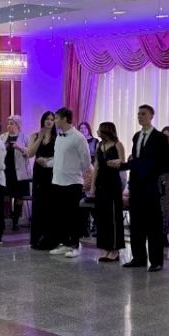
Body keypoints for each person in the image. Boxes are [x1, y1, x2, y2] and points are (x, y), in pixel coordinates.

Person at [109, 104, 169, 271]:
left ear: (151, 116)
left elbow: (168, 162)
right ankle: (138, 257)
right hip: (136, 186)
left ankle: (156, 261)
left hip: (151, 186)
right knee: (136, 223)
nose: (140, 117)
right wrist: (123, 165)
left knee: (153, 224)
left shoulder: (159, 137)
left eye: (143, 114)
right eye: (138, 114)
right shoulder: (137, 136)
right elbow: (136, 161)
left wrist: (151, 171)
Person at [51, 108, 93, 259]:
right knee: (60, 215)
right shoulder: (59, 137)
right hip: (57, 181)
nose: (54, 121)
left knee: (73, 216)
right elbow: (58, 158)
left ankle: (75, 244)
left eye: (56, 118)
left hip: (73, 182)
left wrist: (74, 170)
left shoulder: (78, 137)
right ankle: (64, 243)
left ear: (64, 119)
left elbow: (86, 161)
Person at [93, 122, 125, 263]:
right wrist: (93, 186)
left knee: (113, 216)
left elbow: (123, 163)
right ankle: (106, 247)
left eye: (100, 129)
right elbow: (96, 166)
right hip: (101, 183)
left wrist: (115, 163)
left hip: (113, 183)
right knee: (102, 216)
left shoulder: (118, 144)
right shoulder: (99, 145)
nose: (97, 132)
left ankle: (115, 249)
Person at [27, 112, 58, 250]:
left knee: (50, 205)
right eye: (47, 119)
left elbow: (60, 156)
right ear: (43, 120)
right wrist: (39, 138)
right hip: (39, 172)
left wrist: (48, 160)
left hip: (52, 171)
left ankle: (50, 239)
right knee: (38, 204)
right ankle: (36, 239)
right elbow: (30, 153)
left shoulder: (57, 137)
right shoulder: (34, 135)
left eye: (52, 119)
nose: (49, 121)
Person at [4, 115, 31, 232]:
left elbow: (30, 153)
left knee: (19, 197)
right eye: (8, 123)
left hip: (20, 172)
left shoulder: (25, 137)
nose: (9, 126)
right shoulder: (3, 137)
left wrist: (19, 147)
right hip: (6, 171)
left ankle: (16, 221)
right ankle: (7, 218)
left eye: (12, 123)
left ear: (18, 125)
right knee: (6, 196)